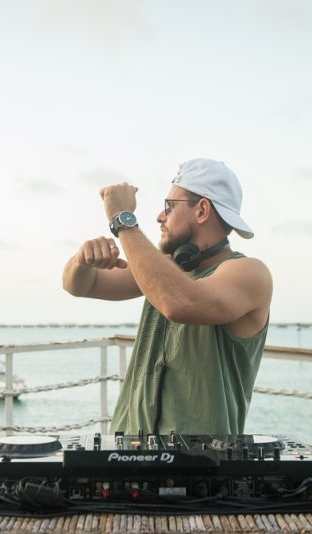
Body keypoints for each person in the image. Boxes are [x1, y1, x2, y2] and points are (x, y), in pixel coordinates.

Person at [63, 158, 272, 435]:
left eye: (169, 207)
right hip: (130, 450)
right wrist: (83, 259)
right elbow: (79, 286)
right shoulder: (165, 267)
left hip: (202, 464)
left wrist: (123, 220)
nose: (160, 217)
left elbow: (179, 302)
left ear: (202, 211)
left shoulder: (249, 273)